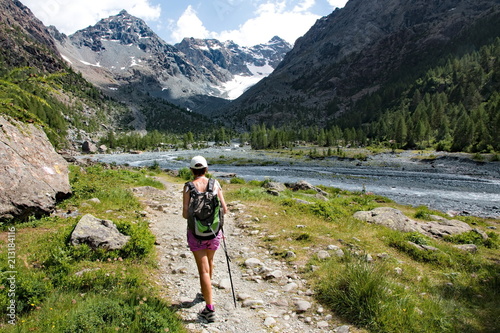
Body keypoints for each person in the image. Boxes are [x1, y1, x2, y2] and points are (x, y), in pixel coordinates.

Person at [182, 155, 228, 323]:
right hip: (214, 232)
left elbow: (185, 213)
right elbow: (225, 209)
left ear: (192, 170)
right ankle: (204, 293)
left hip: (196, 234)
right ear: (206, 169)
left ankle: (209, 309)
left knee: (203, 271)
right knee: (210, 262)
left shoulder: (188, 187)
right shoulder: (215, 184)